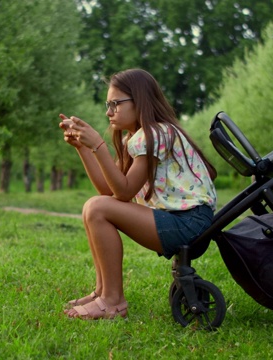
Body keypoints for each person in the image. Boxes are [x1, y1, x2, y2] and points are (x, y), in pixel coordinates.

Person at [58, 69, 217, 320]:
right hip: (181, 220)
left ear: (139, 101)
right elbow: (109, 191)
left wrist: (98, 145)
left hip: (188, 222)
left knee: (97, 208)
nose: (109, 112)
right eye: (107, 104)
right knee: (95, 206)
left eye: (115, 104)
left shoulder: (155, 134)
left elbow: (124, 192)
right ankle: (102, 292)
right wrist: (84, 149)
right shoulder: (140, 137)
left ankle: (113, 301)